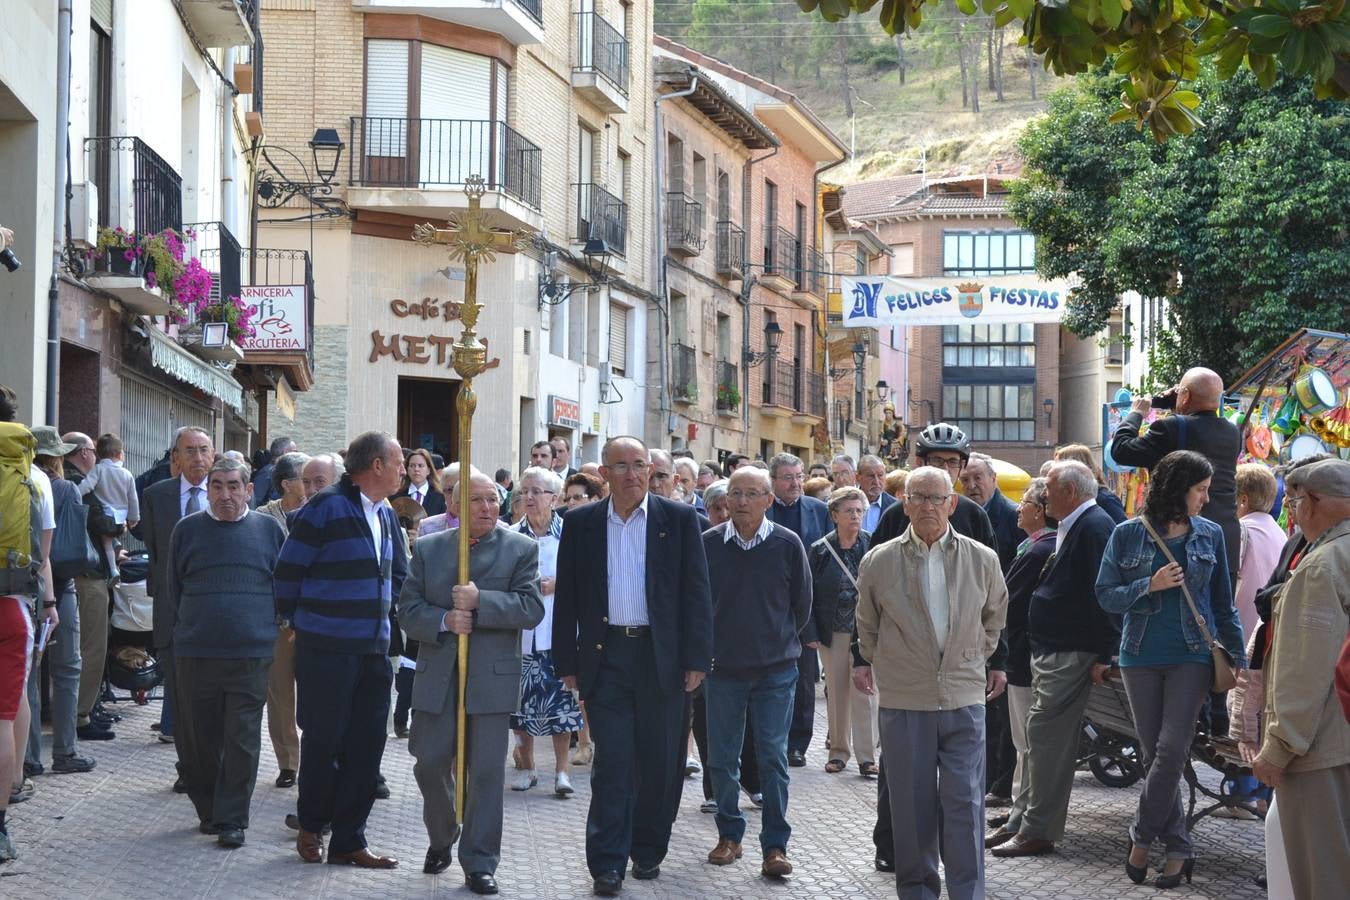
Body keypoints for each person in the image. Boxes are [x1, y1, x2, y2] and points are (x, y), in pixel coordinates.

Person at [552, 436, 712, 897]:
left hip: (661, 657)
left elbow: (697, 594)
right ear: (604, 473)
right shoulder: (579, 523)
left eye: (638, 464)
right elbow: (568, 599)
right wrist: (567, 660)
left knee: (661, 762)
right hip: (607, 659)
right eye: (619, 466)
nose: (629, 473)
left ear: (650, 470)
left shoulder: (679, 519)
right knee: (613, 764)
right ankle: (606, 863)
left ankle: (647, 849)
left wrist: (697, 659)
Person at [856, 466, 1009, 900]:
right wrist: (892, 664)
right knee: (911, 807)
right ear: (904, 504)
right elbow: (866, 627)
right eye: (918, 497)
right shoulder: (879, 560)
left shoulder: (982, 558)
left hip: (963, 697)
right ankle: (918, 892)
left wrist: (972, 657)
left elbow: (995, 617)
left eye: (936, 498)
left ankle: (967, 893)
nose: (928, 506)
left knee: (965, 805)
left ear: (952, 504)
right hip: (906, 700)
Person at [1096, 450, 1245, 887]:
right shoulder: (1126, 534)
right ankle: (1178, 846)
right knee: (1154, 753)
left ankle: (1141, 837)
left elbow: (1223, 605)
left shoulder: (1210, 534)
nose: (1206, 497)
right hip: (1139, 655)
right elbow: (1105, 595)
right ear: (1177, 488)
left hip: (1193, 655)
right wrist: (1149, 584)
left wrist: (1240, 659)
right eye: (1200, 489)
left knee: (1171, 748)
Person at [400, 469, 544, 893]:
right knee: (428, 762)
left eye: (494, 500)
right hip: (438, 676)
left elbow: (531, 608)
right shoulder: (429, 549)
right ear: (455, 507)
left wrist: (483, 602)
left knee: (484, 774)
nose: (487, 508)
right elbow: (407, 611)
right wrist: (444, 619)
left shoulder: (520, 548)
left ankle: (480, 860)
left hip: (490, 678)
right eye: (477, 500)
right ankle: (443, 835)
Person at [273, 431, 407, 868]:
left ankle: (350, 840)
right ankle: (312, 826)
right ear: (376, 466)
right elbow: (288, 571)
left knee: (367, 748)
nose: (404, 470)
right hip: (327, 649)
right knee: (324, 742)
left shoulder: (385, 512)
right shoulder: (327, 506)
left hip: (373, 650)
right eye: (398, 462)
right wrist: (301, 623)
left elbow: (394, 575)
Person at [988, 460, 1118, 858]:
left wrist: (1104, 653)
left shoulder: (1093, 526)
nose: (1044, 495)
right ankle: (1022, 820)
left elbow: (1103, 594)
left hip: (1070, 651)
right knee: (1038, 739)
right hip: (1055, 649)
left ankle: (1038, 829)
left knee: (1045, 741)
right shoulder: (1076, 524)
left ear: (1072, 492)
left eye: (1052, 488)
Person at [167, 458, 286, 847]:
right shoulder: (187, 531)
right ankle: (209, 810)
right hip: (196, 651)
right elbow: (174, 589)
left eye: (234, 486)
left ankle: (233, 818)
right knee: (198, 741)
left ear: (249, 490)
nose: (225, 495)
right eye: (217, 486)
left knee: (243, 737)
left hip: (251, 653)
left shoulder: (269, 531)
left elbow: (281, 586)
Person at [702, 466, 811, 879]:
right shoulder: (708, 544)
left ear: (769, 499)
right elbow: (697, 605)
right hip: (724, 669)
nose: (742, 501)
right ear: (725, 500)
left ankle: (775, 846)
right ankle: (729, 835)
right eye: (736, 493)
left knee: (773, 757)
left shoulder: (787, 544)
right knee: (722, 758)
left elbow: (801, 605)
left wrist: (776, 642)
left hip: (776, 670)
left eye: (752, 493)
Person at [1253, 458, 1350, 899]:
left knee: (1321, 874)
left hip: (1320, 744)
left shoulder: (1320, 566)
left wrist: (1278, 747)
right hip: (1335, 738)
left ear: (1310, 504)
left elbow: (1304, 671)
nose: (1292, 511)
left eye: (1294, 501)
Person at [0, 386, 59, 864]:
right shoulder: (33, 476)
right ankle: (10, 794)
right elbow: (43, 556)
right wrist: (51, 602)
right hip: (14, 604)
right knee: (9, 704)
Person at [1110, 369, 1241, 574]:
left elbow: (1121, 451)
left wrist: (1136, 414)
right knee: (1219, 604)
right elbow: (1194, 428)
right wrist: (1180, 402)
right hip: (1225, 539)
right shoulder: (1233, 433)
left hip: (1182, 538)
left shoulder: (1169, 428)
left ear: (1187, 395)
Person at [141, 426, 215, 758]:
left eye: (204, 450)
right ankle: (184, 755)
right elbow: (154, 551)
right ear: (176, 457)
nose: (198, 457)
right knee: (175, 678)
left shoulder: (226, 493)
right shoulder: (156, 496)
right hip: (171, 606)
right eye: (190, 450)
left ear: (213, 455)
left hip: (214, 609)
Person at [508, 467, 582, 796]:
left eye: (537, 491)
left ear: (554, 498)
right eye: (525, 491)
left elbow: (589, 578)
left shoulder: (570, 534)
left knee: (561, 707)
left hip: (558, 632)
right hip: (521, 634)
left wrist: (560, 585)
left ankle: (562, 770)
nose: (530, 497)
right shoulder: (511, 536)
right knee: (520, 707)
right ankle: (527, 767)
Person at [24, 429, 94, 776]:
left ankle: (29, 756)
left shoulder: (21, 482)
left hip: (21, 587)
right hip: (60, 587)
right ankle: (65, 751)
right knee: (67, 670)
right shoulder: (65, 488)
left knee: (28, 674)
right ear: (56, 458)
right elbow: (76, 546)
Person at [764, 452, 830, 769]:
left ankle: (797, 744)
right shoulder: (762, 508)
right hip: (767, 606)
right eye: (788, 477)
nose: (796, 483)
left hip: (805, 606)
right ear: (773, 481)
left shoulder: (818, 510)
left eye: (799, 476)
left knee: (804, 679)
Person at [808, 487, 877, 776]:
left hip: (866, 632)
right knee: (837, 692)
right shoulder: (820, 550)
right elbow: (807, 593)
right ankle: (838, 752)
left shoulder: (872, 546)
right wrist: (809, 631)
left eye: (859, 511)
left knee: (867, 694)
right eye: (849, 511)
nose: (855, 516)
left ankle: (868, 756)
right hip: (832, 631)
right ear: (834, 514)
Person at [999, 477, 1057, 816]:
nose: (1018, 508)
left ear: (1038, 511)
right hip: (1026, 656)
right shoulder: (1037, 546)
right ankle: (1019, 807)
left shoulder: (1038, 550)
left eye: (1024, 503)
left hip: (1023, 658)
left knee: (1025, 741)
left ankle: (1021, 812)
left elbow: (1010, 604)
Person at [256, 450, 310, 789]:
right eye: (306, 479)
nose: (311, 486)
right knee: (279, 694)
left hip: (315, 618)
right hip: (278, 618)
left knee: (317, 692)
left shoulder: (319, 512)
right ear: (288, 484)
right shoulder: (263, 518)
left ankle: (318, 757)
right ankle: (288, 762)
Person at [60, 433, 118, 741]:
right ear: (83, 453)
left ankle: (79, 712)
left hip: (65, 575)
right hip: (87, 575)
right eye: (94, 451)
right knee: (91, 647)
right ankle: (80, 716)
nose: (96, 456)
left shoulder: (55, 479)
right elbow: (105, 524)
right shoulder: (79, 483)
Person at [872, 424, 997, 550]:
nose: (945, 469)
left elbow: (987, 566)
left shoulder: (975, 516)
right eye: (937, 460)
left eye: (953, 461)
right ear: (920, 463)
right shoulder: (894, 517)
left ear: (962, 466)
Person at [76, 433, 139, 579]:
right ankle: (116, 566)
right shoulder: (127, 474)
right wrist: (134, 517)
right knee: (115, 539)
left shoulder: (99, 469)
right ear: (119, 454)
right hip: (121, 518)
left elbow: (87, 486)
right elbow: (133, 498)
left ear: (98, 454)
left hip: (105, 515)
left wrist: (75, 493)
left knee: (107, 542)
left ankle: (112, 569)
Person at [1233, 463, 1285, 641]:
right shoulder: (1281, 534)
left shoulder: (1239, 531)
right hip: (1266, 633)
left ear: (1243, 500)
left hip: (1239, 633)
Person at [960, 452, 1020, 572]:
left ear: (993, 478)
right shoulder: (957, 513)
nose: (971, 486)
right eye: (965, 480)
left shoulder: (1015, 515)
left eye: (978, 478)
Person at [1054, 443, 1127, 525]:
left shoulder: (1105, 500)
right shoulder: (1075, 501)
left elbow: (1124, 534)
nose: (1053, 474)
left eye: (1058, 469)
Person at [394, 448, 446, 517]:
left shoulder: (440, 496)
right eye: (412, 465)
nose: (416, 469)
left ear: (428, 470)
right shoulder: (396, 495)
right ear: (407, 470)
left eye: (420, 466)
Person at [252, 435, 296, 508]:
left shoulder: (286, 472)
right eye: (295, 451)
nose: (297, 455)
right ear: (286, 452)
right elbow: (256, 501)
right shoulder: (267, 472)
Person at [857, 455, 897, 533]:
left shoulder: (895, 506)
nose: (876, 481)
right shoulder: (847, 504)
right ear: (858, 478)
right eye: (871, 476)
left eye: (880, 475)